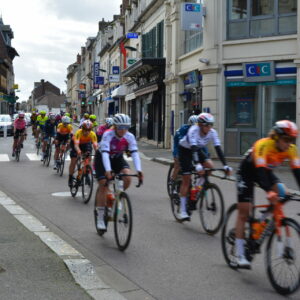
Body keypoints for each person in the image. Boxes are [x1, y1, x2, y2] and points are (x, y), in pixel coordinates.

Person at [235, 120, 300, 269]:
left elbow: (297, 173)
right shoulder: (264, 145)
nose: (289, 143)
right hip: (248, 171)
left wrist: (274, 192)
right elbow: (260, 172)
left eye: (292, 140)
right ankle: (240, 255)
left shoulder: (291, 149)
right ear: (276, 136)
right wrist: (269, 191)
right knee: (244, 212)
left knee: (283, 194)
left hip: (265, 171)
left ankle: (262, 221)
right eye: (286, 139)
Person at [94, 113, 143, 230]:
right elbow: (105, 154)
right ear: (115, 127)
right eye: (120, 127)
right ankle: (100, 217)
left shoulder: (129, 136)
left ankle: (117, 196)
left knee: (127, 177)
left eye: (126, 127)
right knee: (103, 185)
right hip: (102, 158)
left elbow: (135, 154)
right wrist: (108, 170)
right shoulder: (108, 135)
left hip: (117, 158)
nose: (123, 130)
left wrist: (139, 171)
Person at [178, 113, 231, 221]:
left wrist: (225, 165)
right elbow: (192, 147)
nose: (209, 127)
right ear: (201, 125)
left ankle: (196, 189)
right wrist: (197, 164)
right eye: (207, 125)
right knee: (186, 179)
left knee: (209, 167)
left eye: (211, 125)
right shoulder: (194, 130)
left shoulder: (212, 132)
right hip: (185, 150)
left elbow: (218, 149)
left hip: (198, 149)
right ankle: (183, 211)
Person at [68, 120, 98, 187]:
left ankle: (86, 174)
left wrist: (99, 153)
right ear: (82, 128)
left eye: (89, 130)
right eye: (85, 129)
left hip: (85, 144)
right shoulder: (79, 132)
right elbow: (76, 146)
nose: (87, 131)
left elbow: (95, 146)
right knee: (74, 160)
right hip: (75, 144)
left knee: (88, 157)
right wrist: (79, 152)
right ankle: (70, 177)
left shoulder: (93, 134)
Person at [171, 115, 199, 184]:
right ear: (189, 125)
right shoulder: (184, 129)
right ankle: (173, 180)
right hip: (178, 144)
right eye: (193, 126)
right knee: (177, 163)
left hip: (189, 146)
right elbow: (181, 143)